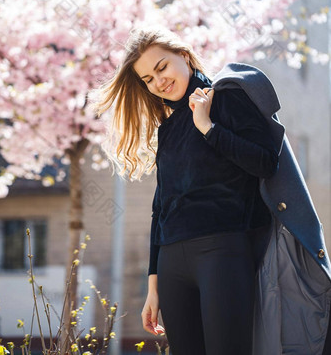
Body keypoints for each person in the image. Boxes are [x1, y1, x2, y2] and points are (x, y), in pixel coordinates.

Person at [90, 26, 282, 355]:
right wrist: (153, 286)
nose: (158, 82)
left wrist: (207, 127)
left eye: (161, 67)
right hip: (171, 265)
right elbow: (160, 208)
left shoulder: (228, 97)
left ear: (184, 55)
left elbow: (266, 163)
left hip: (222, 251)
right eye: (148, 79)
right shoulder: (168, 129)